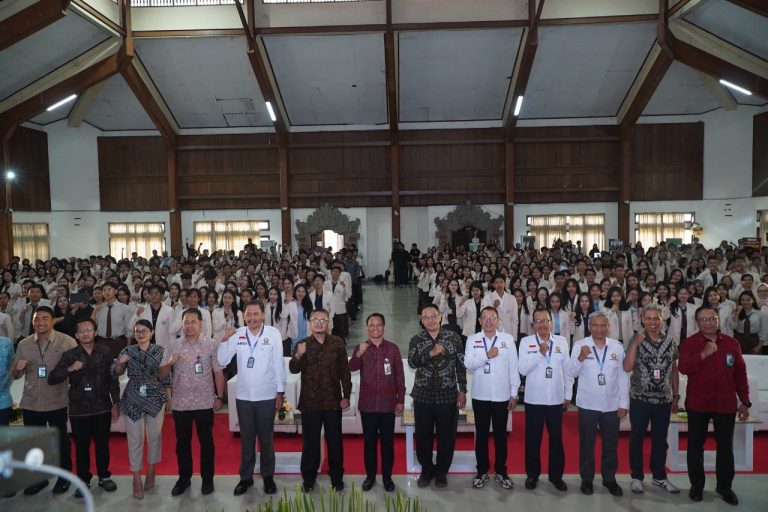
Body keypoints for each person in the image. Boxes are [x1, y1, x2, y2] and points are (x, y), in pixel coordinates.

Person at [679, 306, 752, 506]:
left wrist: (745, 401)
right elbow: (683, 368)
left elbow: (740, 374)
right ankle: (697, 486)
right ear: (697, 322)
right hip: (698, 403)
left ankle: (724, 487)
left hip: (725, 403)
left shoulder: (731, 343)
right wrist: (703, 354)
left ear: (718, 320)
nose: (708, 322)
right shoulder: (690, 343)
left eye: (712, 318)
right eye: (704, 319)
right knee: (695, 446)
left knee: (725, 448)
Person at [218, 301, 285, 497]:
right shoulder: (237, 335)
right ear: (243, 316)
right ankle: (245, 478)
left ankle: (268, 477)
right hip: (244, 396)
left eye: (256, 314)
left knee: (266, 440)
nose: (252, 318)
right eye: (249, 314)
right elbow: (222, 361)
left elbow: (278, 364)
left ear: (263, 315)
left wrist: (279, 392)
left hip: (266, 395)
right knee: (247, 440)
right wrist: (224, 340)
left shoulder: (273, 334)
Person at [48, 318, 120, 498]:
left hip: (102, 407)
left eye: (89, 330)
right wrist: (69, 369)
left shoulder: (105, 352)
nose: (85, 333)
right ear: (76, 335)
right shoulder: (70, 355)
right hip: (79, 410)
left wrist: (115, 403)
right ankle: (83, 480)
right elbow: (52, 378)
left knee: (102, 445)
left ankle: (104, 476)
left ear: (95, 332)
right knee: (81, 448)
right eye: (81, 331)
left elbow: (113, 379)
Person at [11, 306, 77, 495]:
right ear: (32, 322)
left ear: (53, 320)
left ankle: (64, 478)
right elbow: (14, 375)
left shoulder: (67, 342)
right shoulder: (24, 344)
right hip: (31, 402)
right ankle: (38, 479)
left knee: (61, 441)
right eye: (36, 319)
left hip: (57, 400)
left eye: (45, 318)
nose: (40, 322)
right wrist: (17, 367)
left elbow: (77, 370)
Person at [159, 308, 225, 497]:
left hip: (204, 401)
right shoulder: (173, 345)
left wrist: (219, 397)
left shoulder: (211, 344)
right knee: (182, 444)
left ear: (201, 323)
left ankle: (207, 479)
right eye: (186, 322)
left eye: (193, 322)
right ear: (181, 324)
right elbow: (161, 375)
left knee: (207, 443)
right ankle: (184, 478)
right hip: (181, 403)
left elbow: (218, 371)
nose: (189, 326)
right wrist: (169, 363)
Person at [567, 310, 629, 497]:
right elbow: (571, 372)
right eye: (595, 325)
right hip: (588, 403)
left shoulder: (617, 347)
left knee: (610, 444)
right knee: (587, 443)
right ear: (589, 327)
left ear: (609, 328)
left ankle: (609, 479)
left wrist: (624, 403)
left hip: (611, 403)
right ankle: (587, 479)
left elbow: (623, 376)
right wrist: (580, 358)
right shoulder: (580, 345)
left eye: (603, 325)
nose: (599, 329)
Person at [289, 308, 351, 492]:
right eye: (315, 320)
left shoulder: (337, 343)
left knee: (335, 442)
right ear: (309, 323)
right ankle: (308, 478)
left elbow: (344, 372)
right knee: (310, 443)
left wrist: (346, 395)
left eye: (323, 320)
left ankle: (337, 477)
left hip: (333, 401)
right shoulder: (302, 344)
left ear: (328, 323)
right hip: (310, 402)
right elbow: (293, 369)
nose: (319, 323)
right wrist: (299, 354)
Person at [407, 303, 467, 488]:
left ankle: (442, 471)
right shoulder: (416, 339)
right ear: (421, 320)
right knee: (423, 435)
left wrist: (463, 390)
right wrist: (430, 353)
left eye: (433, 316)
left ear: (441, 317)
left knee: (446, 436)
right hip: (422, 395)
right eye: (426, 317)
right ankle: (426, 470)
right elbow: (412, 362)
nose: (430, 320)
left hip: (447, 395)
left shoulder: (454, 338)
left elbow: (460, 365)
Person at [623, 305, 680, 494]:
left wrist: (675, 396)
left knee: (660, 441)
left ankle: (659, 477)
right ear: (642, 320)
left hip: (664, 400)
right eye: (648, 319)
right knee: (636, 439)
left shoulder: (671, 342)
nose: (653, 322)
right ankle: (637, 477)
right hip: (640, 398)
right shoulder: (635, 338)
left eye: (656, 318)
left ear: (662, 320)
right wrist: (635, 344)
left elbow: (674, 370)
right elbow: (627, 367)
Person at [348, 313, 405, 492]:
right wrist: (358, 354)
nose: (375, 328)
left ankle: (387, 478)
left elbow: (399, 377)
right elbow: (351, 368)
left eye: (378, 325)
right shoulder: (362, 347)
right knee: (369, 444)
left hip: (388, 405)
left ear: (384, 327)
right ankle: (370, 477)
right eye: (371, 325)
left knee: (388, 445)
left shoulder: (393, 349)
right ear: (367, 328)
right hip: (368, 405)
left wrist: (401, 400)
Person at [463, 306, 519, 489]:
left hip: (502, 396)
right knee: (481, 436)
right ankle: (482, 471)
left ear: (498, 320)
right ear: (479, 321)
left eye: (492, 318)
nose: (488, 321)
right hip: (481, 395)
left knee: (501, 436)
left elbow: (513, 367)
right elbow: (468, 364)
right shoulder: (473, 339)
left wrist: (514, 393)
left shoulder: (507, 340)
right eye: (484, 318)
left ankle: (501, 471)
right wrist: (486, 355)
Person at [113, 319, 168, 499]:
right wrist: (120, 363)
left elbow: (166, 376)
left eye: (144, 331)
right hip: (133, 397)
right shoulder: (127, 350)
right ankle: (136, 476)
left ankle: (151, 469)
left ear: (152, 332)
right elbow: (115, 371)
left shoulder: (160, 351)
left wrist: (169, 398)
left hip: (155, 396)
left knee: (154, 436)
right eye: (137, 331)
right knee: (135, 438)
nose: (141, 334)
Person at [518, 308, 572, 492]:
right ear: (533, 325)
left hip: (556, 399)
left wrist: (568, 395)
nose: (542, 325)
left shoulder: (562, 342)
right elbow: (522, 369)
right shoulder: (526, 342)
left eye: (545, 321)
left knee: (556, 439)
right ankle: (532, 475)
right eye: (538, 322)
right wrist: (539, 354)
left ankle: (556, 476)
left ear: (551, 323)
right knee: (533, 439)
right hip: (534, 399)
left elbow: (568, 370)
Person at [93, 282, 132, 359]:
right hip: (101, 342)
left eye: (109, 289)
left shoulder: (125, 308)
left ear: (116, 291)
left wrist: (128, 348)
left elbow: (129, 330)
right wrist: (94, 313)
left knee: (119, 368)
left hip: (118, 342)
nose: (106, 292)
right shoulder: (98, 308)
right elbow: (92, 326)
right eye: (104, 290)